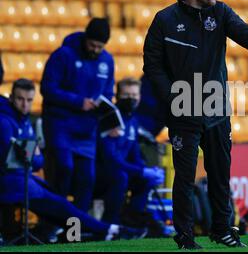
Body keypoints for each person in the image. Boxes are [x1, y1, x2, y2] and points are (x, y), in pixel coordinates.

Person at [143, 0, 248, 249]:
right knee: (184, 179)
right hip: (183, 108)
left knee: (220, 174)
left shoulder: (221, 12)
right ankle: (185, 237)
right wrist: (171, 97)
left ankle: (222, 230)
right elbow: (152, 64)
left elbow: (244, 32)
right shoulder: (164, 20)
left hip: (215, 108)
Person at [0, 79, 147, 242]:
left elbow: (38, 161)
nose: (25, 105)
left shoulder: (25, 122)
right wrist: (31, 155)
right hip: (14, 182)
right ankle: (110, 230)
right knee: (63, 208)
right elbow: (15, 160)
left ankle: (105, 230)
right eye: (20, 99)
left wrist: (30, 156)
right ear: (12, 98)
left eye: (29, 100)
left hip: (26, 180)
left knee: (63, 208)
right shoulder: (5, 122)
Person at [40, 18, 115, 212]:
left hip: (87, 129)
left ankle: (76, 229)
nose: (95, 50)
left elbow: (108, 93)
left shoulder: (107, 61)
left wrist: (105, 107)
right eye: (92, 45)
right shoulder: (63, 55)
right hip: (60, 124)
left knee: (87, 179)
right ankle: (54, 221)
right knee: (63, 169)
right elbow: (47, 89)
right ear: (85, 38)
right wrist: (78, 101)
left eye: (100, 47)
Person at [96, 77, 165, 225]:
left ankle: (132, 218)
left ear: (140, 97)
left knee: (147, 179)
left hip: (123, 171)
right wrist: (140, 171)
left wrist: (147, 170)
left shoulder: (133, 120)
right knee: (121, 176)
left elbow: (135, 155)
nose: (131, 99)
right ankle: (110, 223)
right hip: (103, 173)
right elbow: (110, 159)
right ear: (118, 96)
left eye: (134, 95)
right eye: (126, 95)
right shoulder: (110, 118)